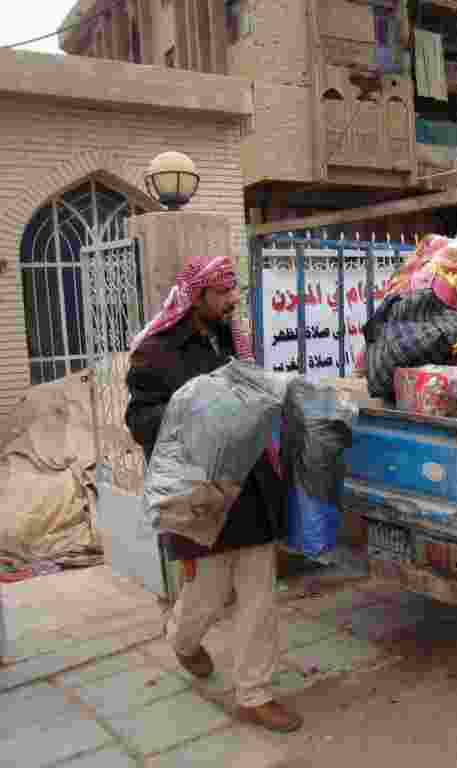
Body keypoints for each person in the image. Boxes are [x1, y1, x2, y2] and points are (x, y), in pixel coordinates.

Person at [124, 254, 302, 733]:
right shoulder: (156, 352)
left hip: (251, 486)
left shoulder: (231, 340)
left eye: (232, 293)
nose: (230, 303)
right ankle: (182, 640)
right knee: (207, 594)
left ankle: (255, 693)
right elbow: (140, 421)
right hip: (201, 492)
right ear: (196, 296)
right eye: (221, 294)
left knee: (259, 596)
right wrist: (198, 411)